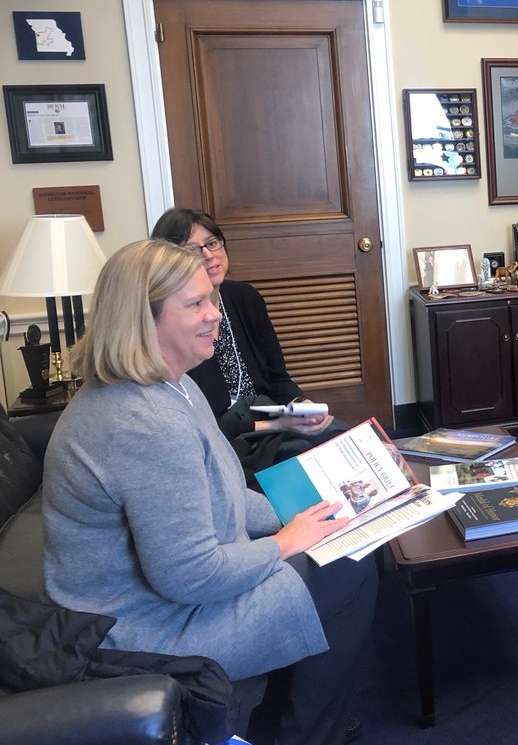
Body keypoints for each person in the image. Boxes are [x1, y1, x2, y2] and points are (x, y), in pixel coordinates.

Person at [41, 239, 377, 745]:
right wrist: (286, 541)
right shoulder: (143, 422)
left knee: (341, 542)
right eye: (196, 303)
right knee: (349, 566)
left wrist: (307, 514)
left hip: (165, 600)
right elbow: (189, 576)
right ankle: (308, 733)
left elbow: (226, 492)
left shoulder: (173, 384)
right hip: (143, 630)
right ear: (142, 319)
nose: (215, 314)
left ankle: (291, 714)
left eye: (211, 299)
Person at [151, 207, 336, 483]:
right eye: (192, 250)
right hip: (225, 437)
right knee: (299, 458)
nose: (208, 255)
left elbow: (278, 378)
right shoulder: (174, 322)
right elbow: (204, 427)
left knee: (338, 438)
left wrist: (301, 406)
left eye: (212, 243)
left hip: (267, 416)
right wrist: (277, 424)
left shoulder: (245, 298)